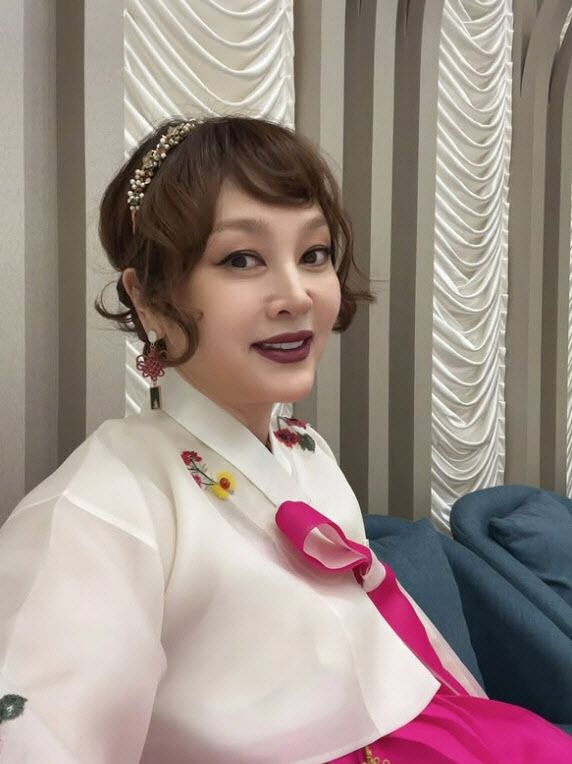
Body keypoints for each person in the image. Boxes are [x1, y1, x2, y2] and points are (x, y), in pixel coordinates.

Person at [0, 115, 570, 764]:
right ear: (149, 298)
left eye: (314, 254)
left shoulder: (306, 449)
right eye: (241, 259)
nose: (296, 296)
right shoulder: (99, 505)